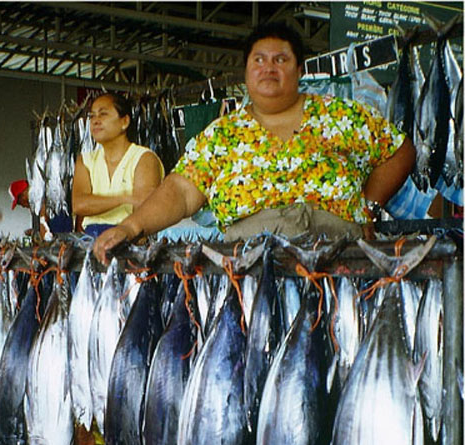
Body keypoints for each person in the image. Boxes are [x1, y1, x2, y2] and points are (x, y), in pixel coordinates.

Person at [93, 23, 416, 264]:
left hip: (341, 259)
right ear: (246, 71)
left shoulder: (338, 114)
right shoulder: (222, 134)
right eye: (259, 60)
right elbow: (180, 190)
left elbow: (399, 150)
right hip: (250, 266)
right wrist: (130, 226)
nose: (269, 68)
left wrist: (370, 206)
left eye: (281, 59)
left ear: (299, 69)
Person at [72, 92, 165, 238]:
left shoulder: (144, 158)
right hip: (92, 239)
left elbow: (144, 213)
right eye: (92, 116)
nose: (95, 121)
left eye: (103, 114)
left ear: (125, 122)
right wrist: (124, 198)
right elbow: (79, 205)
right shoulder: (85, 160)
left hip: (131, 238)